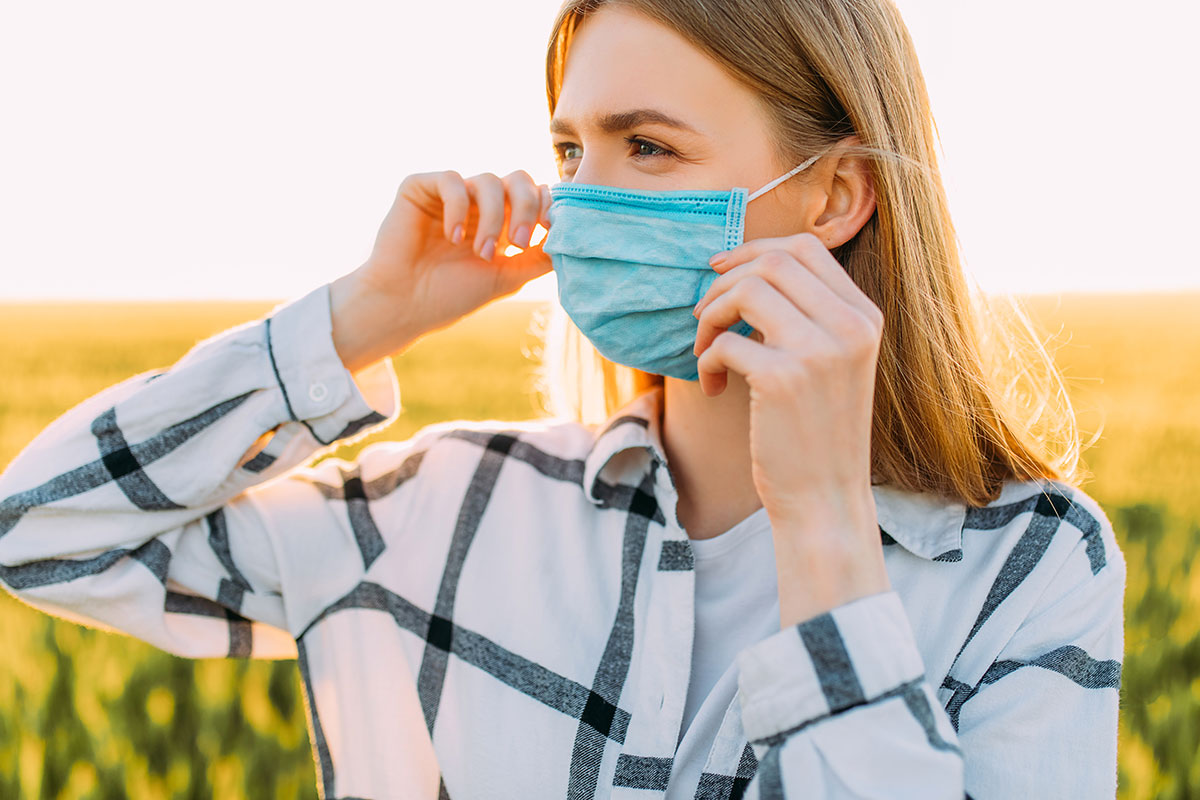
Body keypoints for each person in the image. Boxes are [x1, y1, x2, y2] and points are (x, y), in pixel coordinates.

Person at [0, 0, 1125, 798]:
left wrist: (828, 533)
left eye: (649, 147)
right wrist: (361, 318)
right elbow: (41, 532)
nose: (584, 199)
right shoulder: (446, 504)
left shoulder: (1030, 569)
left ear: (834, 193)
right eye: (571, 149)